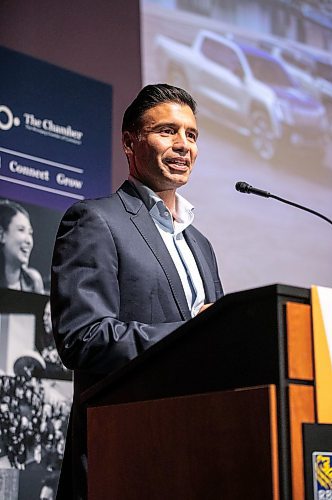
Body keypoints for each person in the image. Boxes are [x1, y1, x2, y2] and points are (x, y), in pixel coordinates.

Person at [51, 83, 223, 499]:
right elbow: (83, 338)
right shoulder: (96, 220)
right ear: (130, 142)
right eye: (167, 131)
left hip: (199, 452)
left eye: (192, 135)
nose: (183, 145)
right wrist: (189, 335)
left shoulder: (201, 244)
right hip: (125, 452)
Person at [0, 199, 44, 293]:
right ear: (2, 235)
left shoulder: (34, 281)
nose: (29, 241)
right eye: (21, 230)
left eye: (30, 233)